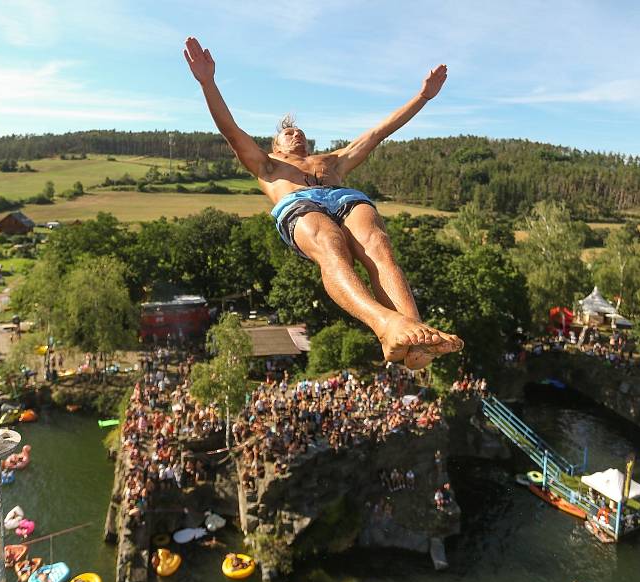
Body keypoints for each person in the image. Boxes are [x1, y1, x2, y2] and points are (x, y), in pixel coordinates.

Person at [184, 37, 463, 370]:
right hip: (299, 204)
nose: (297, 135)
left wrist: (422, 97)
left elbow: (377, 133)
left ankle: (417, 341)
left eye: (301, 132)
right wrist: (208, 83)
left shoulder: (333, 161)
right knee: (331, 245)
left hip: (343, 198)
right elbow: (230, 130)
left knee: (379, 246)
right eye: (289, 134)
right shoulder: (266, 164)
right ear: (276, 143)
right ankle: (385, 326)